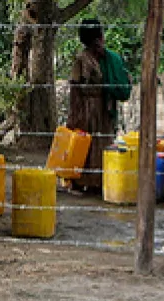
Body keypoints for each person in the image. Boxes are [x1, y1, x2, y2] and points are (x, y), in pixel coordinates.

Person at [67, 19, 131, 194]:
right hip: (95, 109)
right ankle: (90, 181)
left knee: (94, 145)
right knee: (92, 144)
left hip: (95, 109)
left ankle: (91, 181)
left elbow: (74, 88)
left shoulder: (98, 59)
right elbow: (76, 88)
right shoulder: (92, 59)